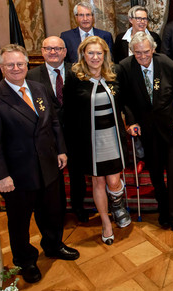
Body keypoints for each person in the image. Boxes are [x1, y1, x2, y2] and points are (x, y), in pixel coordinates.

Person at [0, 44, 79, 284]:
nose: (16, 68)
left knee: (53, 212)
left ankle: (53, 245)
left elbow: (53, 122)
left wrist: (61, 150)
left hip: (48, 166)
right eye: (10, 65)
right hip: (18, 174)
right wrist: (1, 175)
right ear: (2, 67)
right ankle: (25, 261)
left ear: (26, 65)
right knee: (19, 222)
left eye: (20, 64)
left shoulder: (38, 88)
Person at [117, 32, 173, 243]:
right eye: (137, 52)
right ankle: (163, 210)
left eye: (146, 52)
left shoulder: (167, 64)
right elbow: (125, 98)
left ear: (153, 49)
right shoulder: (125, 67)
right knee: (156, 172)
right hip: (146, 130)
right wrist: (131, 121)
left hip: (170, 128)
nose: (142, 56)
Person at [62, 36, 131, 246]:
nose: (95, 57)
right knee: (98, 181)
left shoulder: (115, 73)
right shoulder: (74, 76)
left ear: (105, 55)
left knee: (113, 180)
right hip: (90, 139)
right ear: (83, 54)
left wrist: (132, 122)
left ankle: (118, 205)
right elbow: (69, 111)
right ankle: (105, 222)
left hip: (112, 136)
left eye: (99, 53)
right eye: (90, 53)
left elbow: (125, 102)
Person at [27, 36, 89, 222]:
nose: (53, 52)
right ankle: (58, 210)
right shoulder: (31, 76)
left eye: (57, 49)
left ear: (65, 51)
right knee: (53, 175)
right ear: (42, 51)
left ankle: (78, 207)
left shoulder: (77, 71)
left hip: (75, 131)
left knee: (77, 174)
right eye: (48, 48)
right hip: (47, 134)